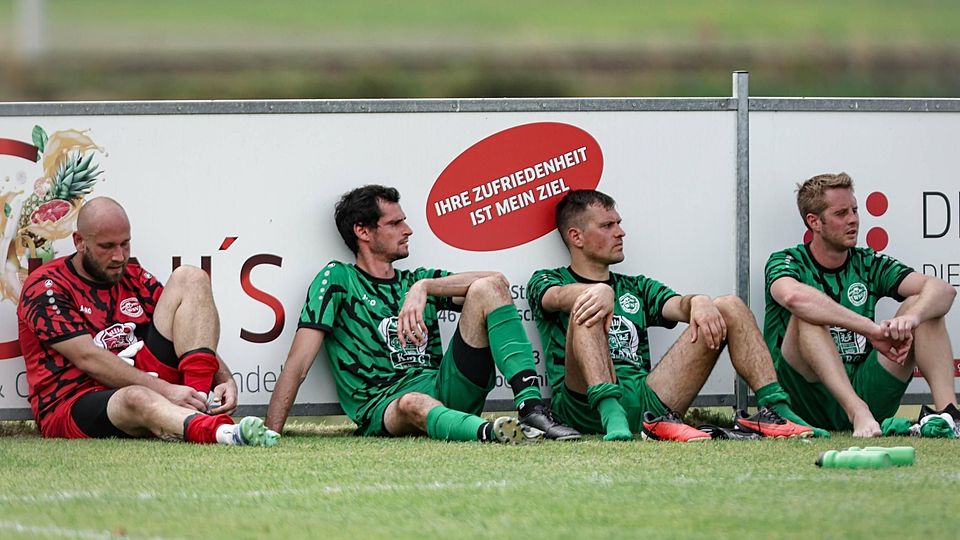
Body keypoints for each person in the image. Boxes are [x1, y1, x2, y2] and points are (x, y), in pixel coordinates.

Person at [266, 185, 580, 443]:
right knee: (412, 402)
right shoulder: (338, 279)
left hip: (445, 386)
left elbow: (496, 281)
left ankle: (531, 408)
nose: (408, 230)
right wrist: (271, 432)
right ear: (362, 231)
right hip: (385, 405)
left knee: (489, 288)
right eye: (394, 224)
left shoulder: (416, 280)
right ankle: (490, 432)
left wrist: (425, 287)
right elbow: (298, 363)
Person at [528, 189, 816, 441]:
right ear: (576, 236)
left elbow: (678, 305)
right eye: (607, 225)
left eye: (618, 223)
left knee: (729, 305)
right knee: (589, 302)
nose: (620, 232)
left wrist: (698, 301)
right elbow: (556, 297)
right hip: (582, 405)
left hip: (649, 400)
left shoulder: (636, 287)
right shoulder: (548, 279)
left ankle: (776, 410)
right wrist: (598, 292)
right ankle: (611, 413)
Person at [17, 197, 278, 446]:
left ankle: (199, 403)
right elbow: (88, 358)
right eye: (107, 246)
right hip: (73, 401)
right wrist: (166, 390)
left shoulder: (132, 275)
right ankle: (222, 432)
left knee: (191, 277)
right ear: (79, 242)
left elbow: (184, 326)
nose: (119, 256)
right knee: (135, 397)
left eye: (125, 244)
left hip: (145, 378)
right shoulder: (47, 286)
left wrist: (224, 378)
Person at [764, 172, 958, 437]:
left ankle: (949, 416)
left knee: (924, 305)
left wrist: (911, 318)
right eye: (841, 213)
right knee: (806, 315)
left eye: (854, 210)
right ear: (814, 222)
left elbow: (943, 290)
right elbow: (793, 297)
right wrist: (870, 329)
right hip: (806, 401)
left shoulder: (867, 261)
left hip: (866, 390)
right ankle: (857, 412)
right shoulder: (786, 260)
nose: (853, 219)